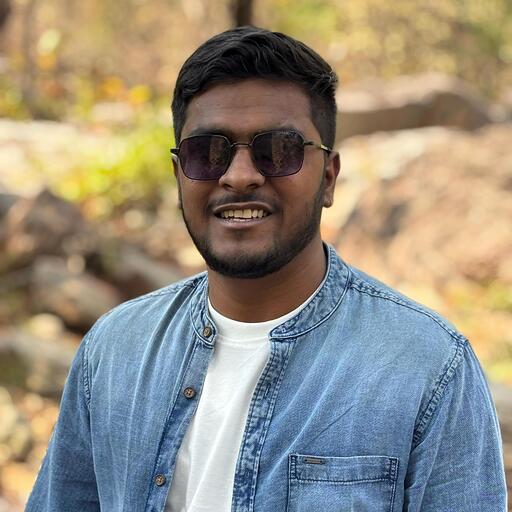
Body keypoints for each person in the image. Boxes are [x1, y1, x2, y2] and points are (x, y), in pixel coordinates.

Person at [26, 26, 507, 512]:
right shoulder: (114, 351)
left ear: (329, 178)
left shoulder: (427, 368)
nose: (239, 176)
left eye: (279, 150)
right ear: (179, 176)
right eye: (208, 153)